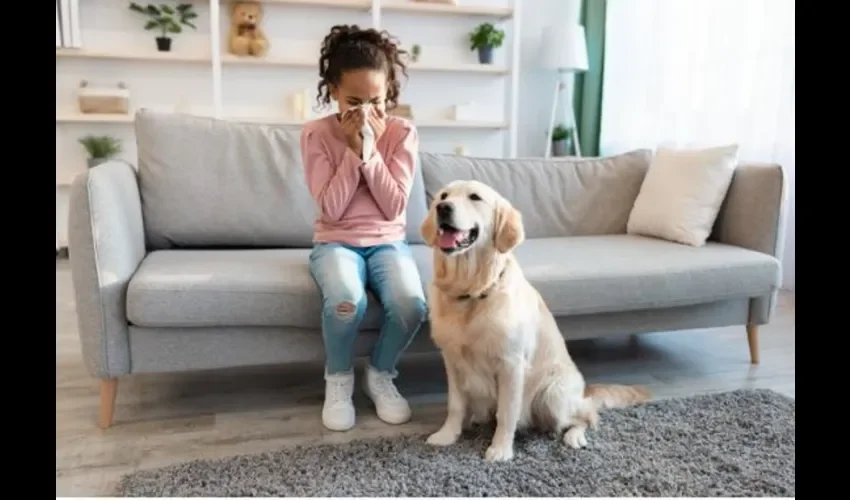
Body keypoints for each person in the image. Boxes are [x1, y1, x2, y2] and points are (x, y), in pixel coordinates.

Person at [300, 24, 428, 432]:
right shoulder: (316, 134)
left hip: (388, 242)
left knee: (412, 304)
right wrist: (352, 154)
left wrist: (370, 153)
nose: (366, 114)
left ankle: (380, 374)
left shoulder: (402, 133)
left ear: (389, 91)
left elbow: (393, 207)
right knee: (345, 302)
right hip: (335, 242)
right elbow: (333, 210)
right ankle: (338, 380)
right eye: (353, 102)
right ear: (332, 90)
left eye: (376, 101)